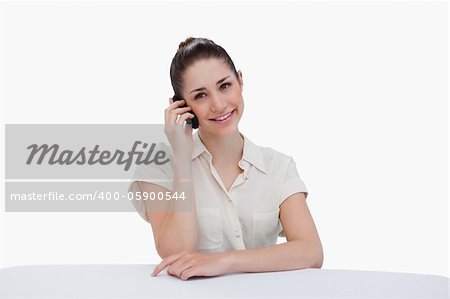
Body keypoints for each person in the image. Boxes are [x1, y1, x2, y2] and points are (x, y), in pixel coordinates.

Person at [129, 37, 323, 280]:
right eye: (200, 95)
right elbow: (177, 253)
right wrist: (181, 157)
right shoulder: (158, 165)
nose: (219, 105)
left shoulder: (278, 167)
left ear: (240, 81)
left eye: (224, 86)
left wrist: (223, 262)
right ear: (182, 106)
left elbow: (311, 251)